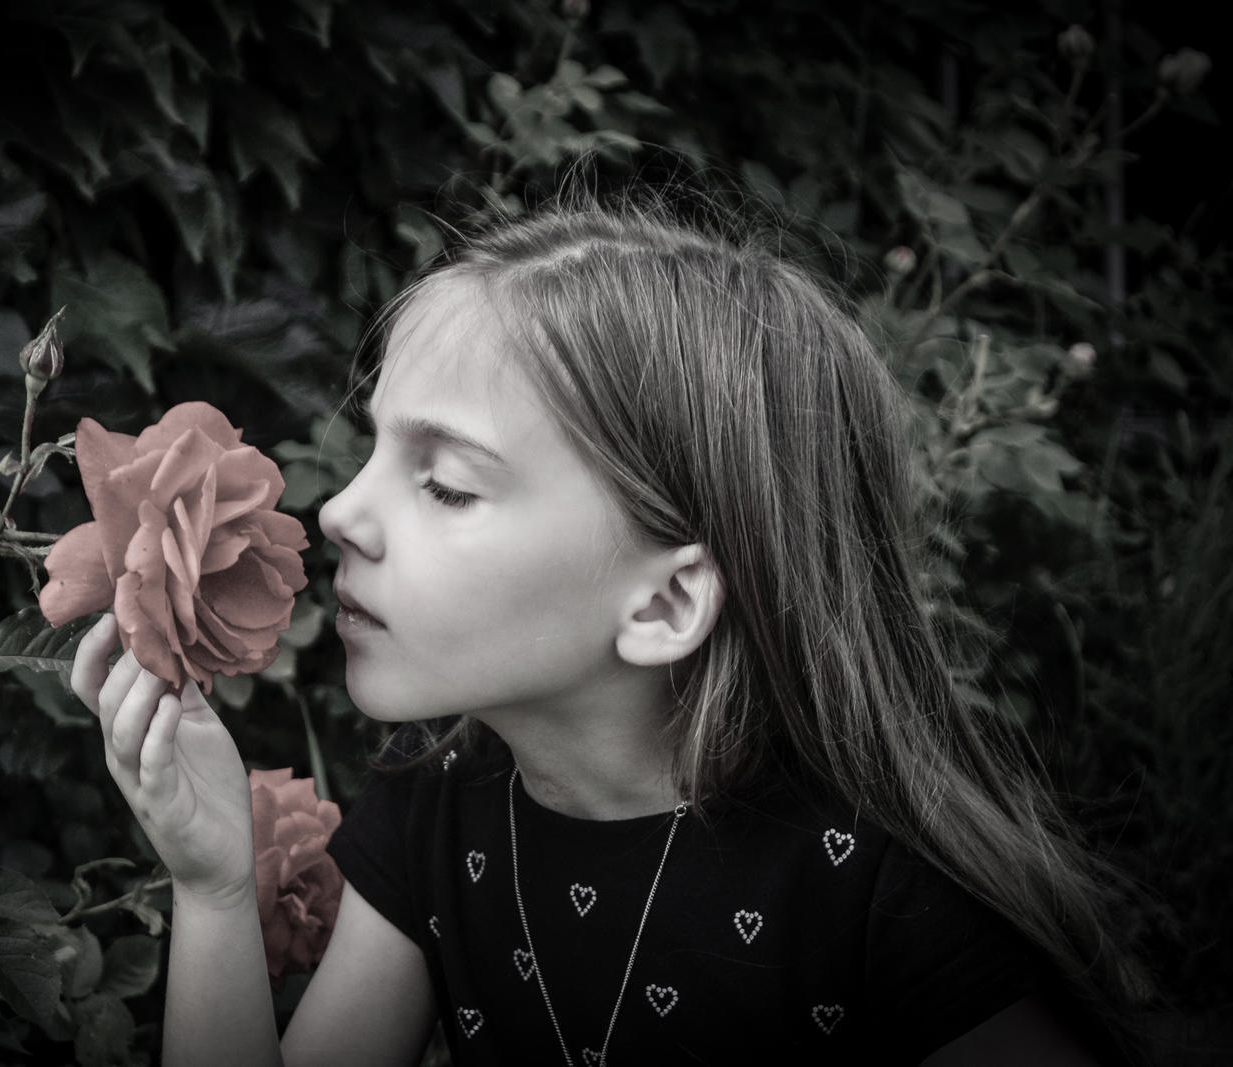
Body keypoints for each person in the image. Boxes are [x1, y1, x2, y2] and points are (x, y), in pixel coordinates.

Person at [69, 194, 1144, 1065]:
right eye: (374, 449)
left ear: (665, 604)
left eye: (445, 483)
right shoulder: (435, 811)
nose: (341, 509)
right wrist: (214, 885)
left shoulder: (877, 891)